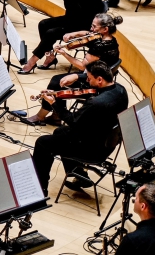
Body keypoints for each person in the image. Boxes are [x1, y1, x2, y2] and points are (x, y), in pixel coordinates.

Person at [30, 62, 126, 192]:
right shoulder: (120, 90)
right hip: (107, 140)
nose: (86, 80)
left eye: (89, 78)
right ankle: (79, 175)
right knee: (59, 131)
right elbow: (93, 93)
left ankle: (40, 188)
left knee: (43, 143)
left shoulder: (96, 103)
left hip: (92, 149)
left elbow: (73, 121)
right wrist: (59, 94)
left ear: (99, 79)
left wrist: (54, 103)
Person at [13, 13, 123, 125]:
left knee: (57, 82)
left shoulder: (99, 46)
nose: (91, 28)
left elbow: (82, 66)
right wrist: (73, 34)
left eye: (94, 26)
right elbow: (86, 33)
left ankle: (40, 116)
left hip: (93, 82)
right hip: (102, 77)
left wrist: (64, 54)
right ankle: (55, 116)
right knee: (58, 80)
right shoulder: (109, 39)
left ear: (105, 29)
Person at [18, 0, 106, 75]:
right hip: (71, 19)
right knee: (43, 24)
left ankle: (31, 62)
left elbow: (73, 10)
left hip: (81, 25)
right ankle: (50, 57)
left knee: (51, 33)